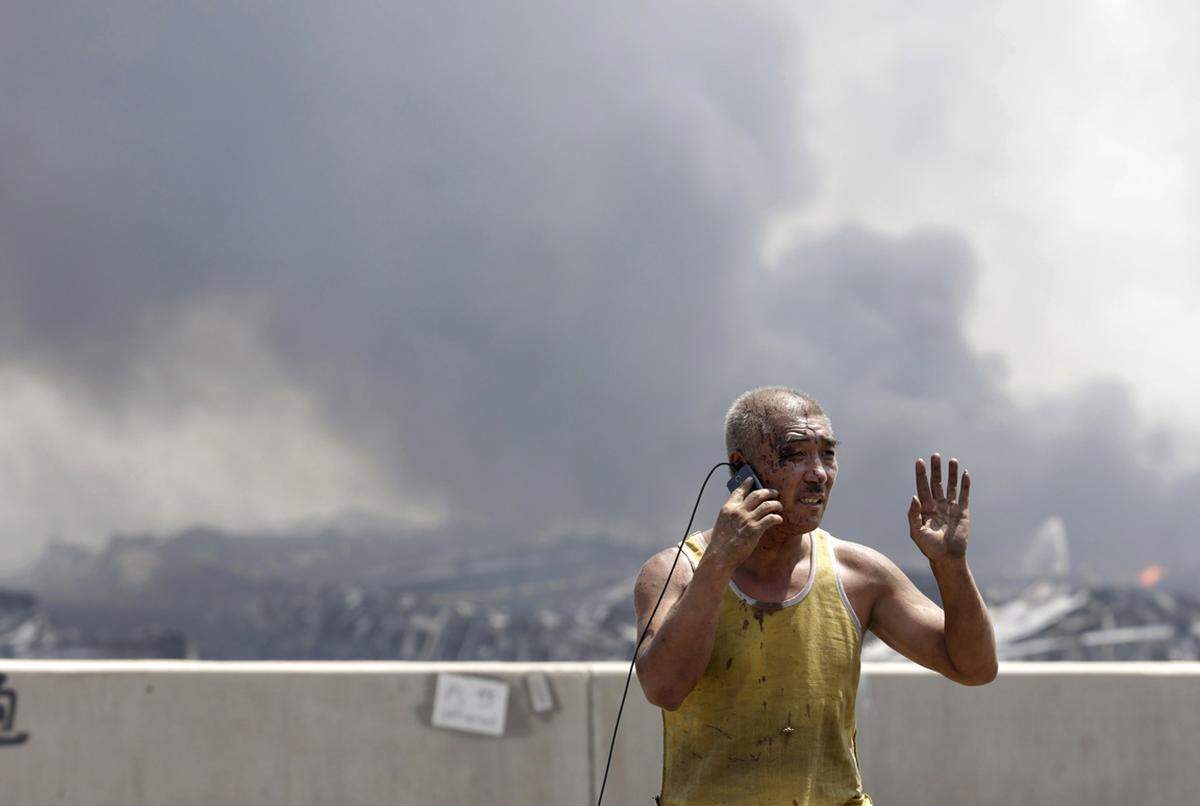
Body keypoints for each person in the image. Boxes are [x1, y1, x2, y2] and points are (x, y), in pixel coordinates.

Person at [634, 386, 997, 805]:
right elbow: (664, 688)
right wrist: (720, 562)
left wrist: (951, 565)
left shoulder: (859, 574)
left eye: (827, 454)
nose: (818, 473)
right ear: (740, 468)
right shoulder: (675, 571)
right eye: (794, 455)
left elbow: (974, 667)